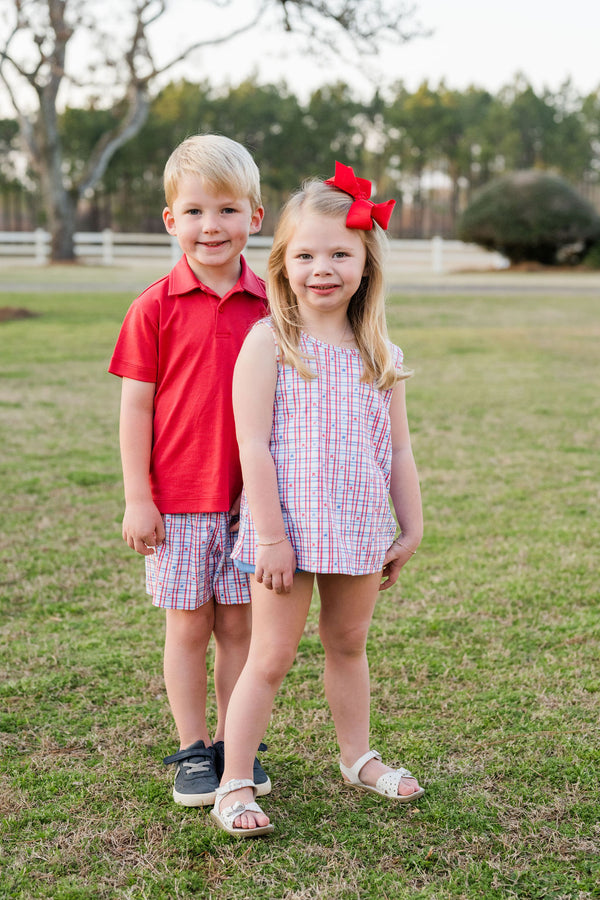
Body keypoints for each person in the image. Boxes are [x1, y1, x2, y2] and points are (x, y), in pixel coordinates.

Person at [210, 162, 424, 837]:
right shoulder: (270, 343)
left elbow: (399, 451)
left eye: (340, 253)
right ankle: (234, 783)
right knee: (270, 656)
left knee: (347, 643)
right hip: (287, 532)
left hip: (359, 525)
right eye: (305, 254)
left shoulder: (380, 351)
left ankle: (358, 757)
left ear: (365, 264)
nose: (322, 267)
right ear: (283, 263)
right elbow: (254, 447)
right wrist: (269, 536)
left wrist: (410, 525)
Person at [109, 134, 272, 808]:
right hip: (177, 502)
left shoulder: (273, 305)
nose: (214, 226)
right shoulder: (154, 305)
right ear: (172, 219)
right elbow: (136, 407)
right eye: (197, 211)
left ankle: (235, 748)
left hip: (251, 503)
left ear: (255, 218)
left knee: (240, 628)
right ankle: (191, 748)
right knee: (187, 626)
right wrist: (136, 497)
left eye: (229, 210)